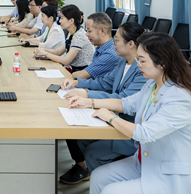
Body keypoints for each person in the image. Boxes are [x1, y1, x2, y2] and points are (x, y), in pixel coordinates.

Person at [68, 32, 191, 194]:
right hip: (148, 161)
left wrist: (111, 117)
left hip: (175, 176)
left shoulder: (179, 97)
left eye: (142, 60)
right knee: (99, 176)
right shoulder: (152, 85)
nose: (138, 64)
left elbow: (144, 133)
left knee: (111, 191)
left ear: (162, 63)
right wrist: (90, 102)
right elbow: (125, 103)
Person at [58, 22, 147, 184]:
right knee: (80, 138)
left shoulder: (142, 70)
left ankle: (103, 179)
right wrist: (78, 83)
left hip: (128, 126)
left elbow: (123, 99)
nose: (113, 43)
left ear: (131, 44)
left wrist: (87, 96)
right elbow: (104, 82)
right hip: (112, 117)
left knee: (92, 152)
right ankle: (95, 170)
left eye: (117, 39)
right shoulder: (122, 62)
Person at [33, 4, 94, 72]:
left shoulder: (79, 36)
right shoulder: (72, 33)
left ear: (71, 20)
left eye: (62, 18)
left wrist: (45, 53)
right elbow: (58, 52)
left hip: (82, 72)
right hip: (76, 70)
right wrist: (41, 50)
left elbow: (66, 61)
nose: (59, 21)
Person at [71, 12, 120, 80]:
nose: (86, 34)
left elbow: (80, 75)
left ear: (102, 31)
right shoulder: (100, 48)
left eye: (89, 31)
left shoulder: (110, 54)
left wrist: (72, 75)